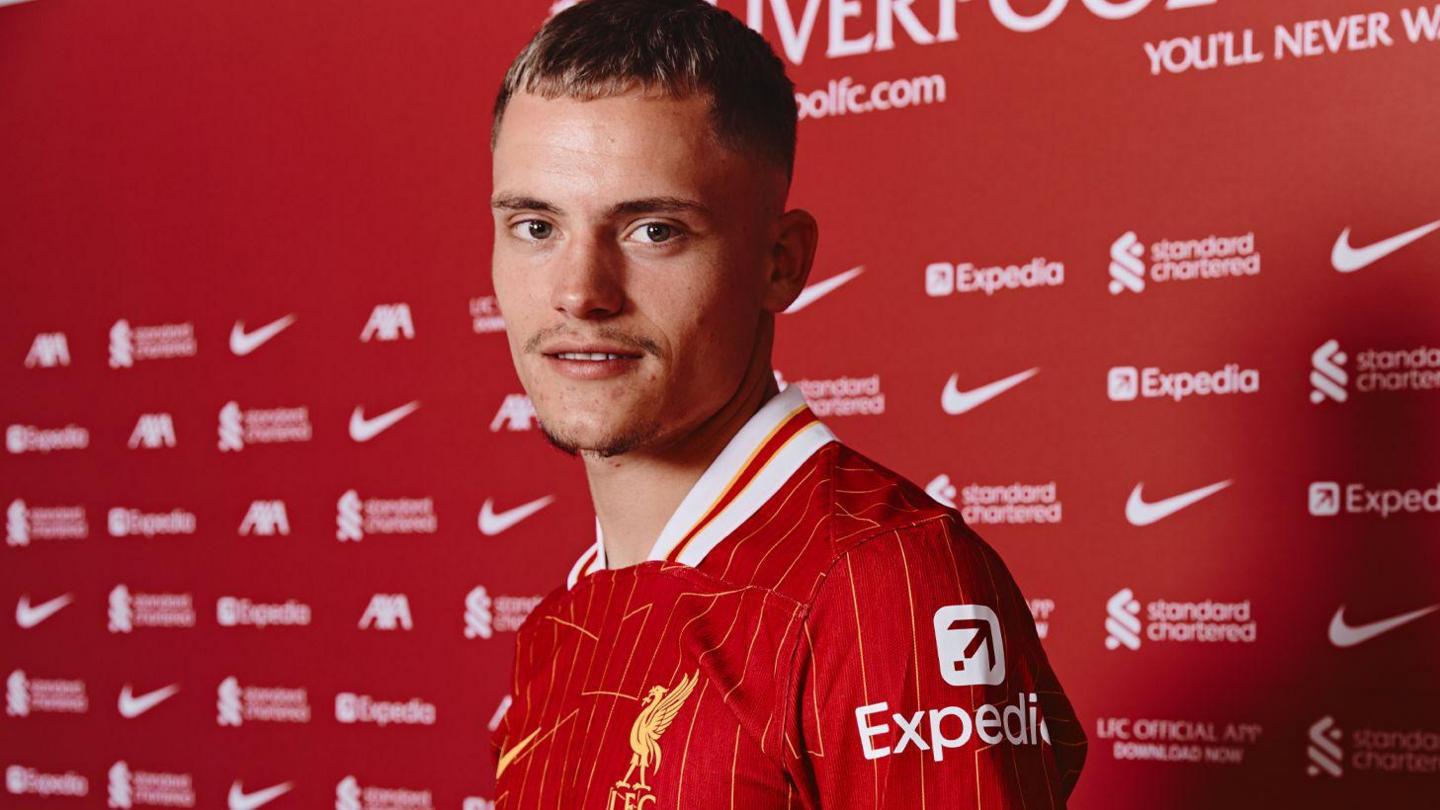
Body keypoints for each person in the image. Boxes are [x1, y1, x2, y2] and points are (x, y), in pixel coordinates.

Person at [486, 0, 1086, 806]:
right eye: (534, 225)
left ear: (782, 262)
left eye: (654, 230)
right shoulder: (561, 625)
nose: (579, 292)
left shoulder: (883, 586)